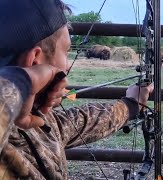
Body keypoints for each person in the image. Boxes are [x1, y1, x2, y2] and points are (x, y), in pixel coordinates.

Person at [0, 0, 154, 179]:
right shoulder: (8, 146)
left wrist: (130, 105)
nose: (67, 65)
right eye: (66, 52)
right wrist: (22, 81)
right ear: (35, 61)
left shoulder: (39, 121)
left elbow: (79, 122)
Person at [0, 65, 67, 151]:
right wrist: (24, 80)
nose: (68, 65)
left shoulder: (45, 117)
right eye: (66, 53)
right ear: (34, 58)